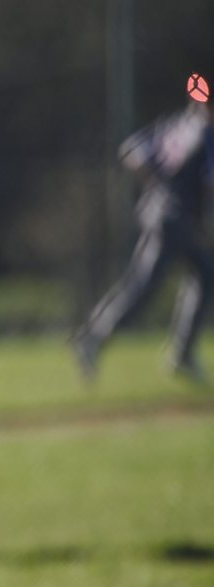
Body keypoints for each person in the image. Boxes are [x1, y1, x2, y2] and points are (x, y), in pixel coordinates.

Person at [72, 74, 214, 383]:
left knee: (204, 276)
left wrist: (158, 184)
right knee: (144, 287)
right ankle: (93, 338)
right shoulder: (206, 133)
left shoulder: (177, 124)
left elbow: (132, 152)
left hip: (164, 214)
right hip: (176, 220)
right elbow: (209, 183)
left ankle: (182, 354)